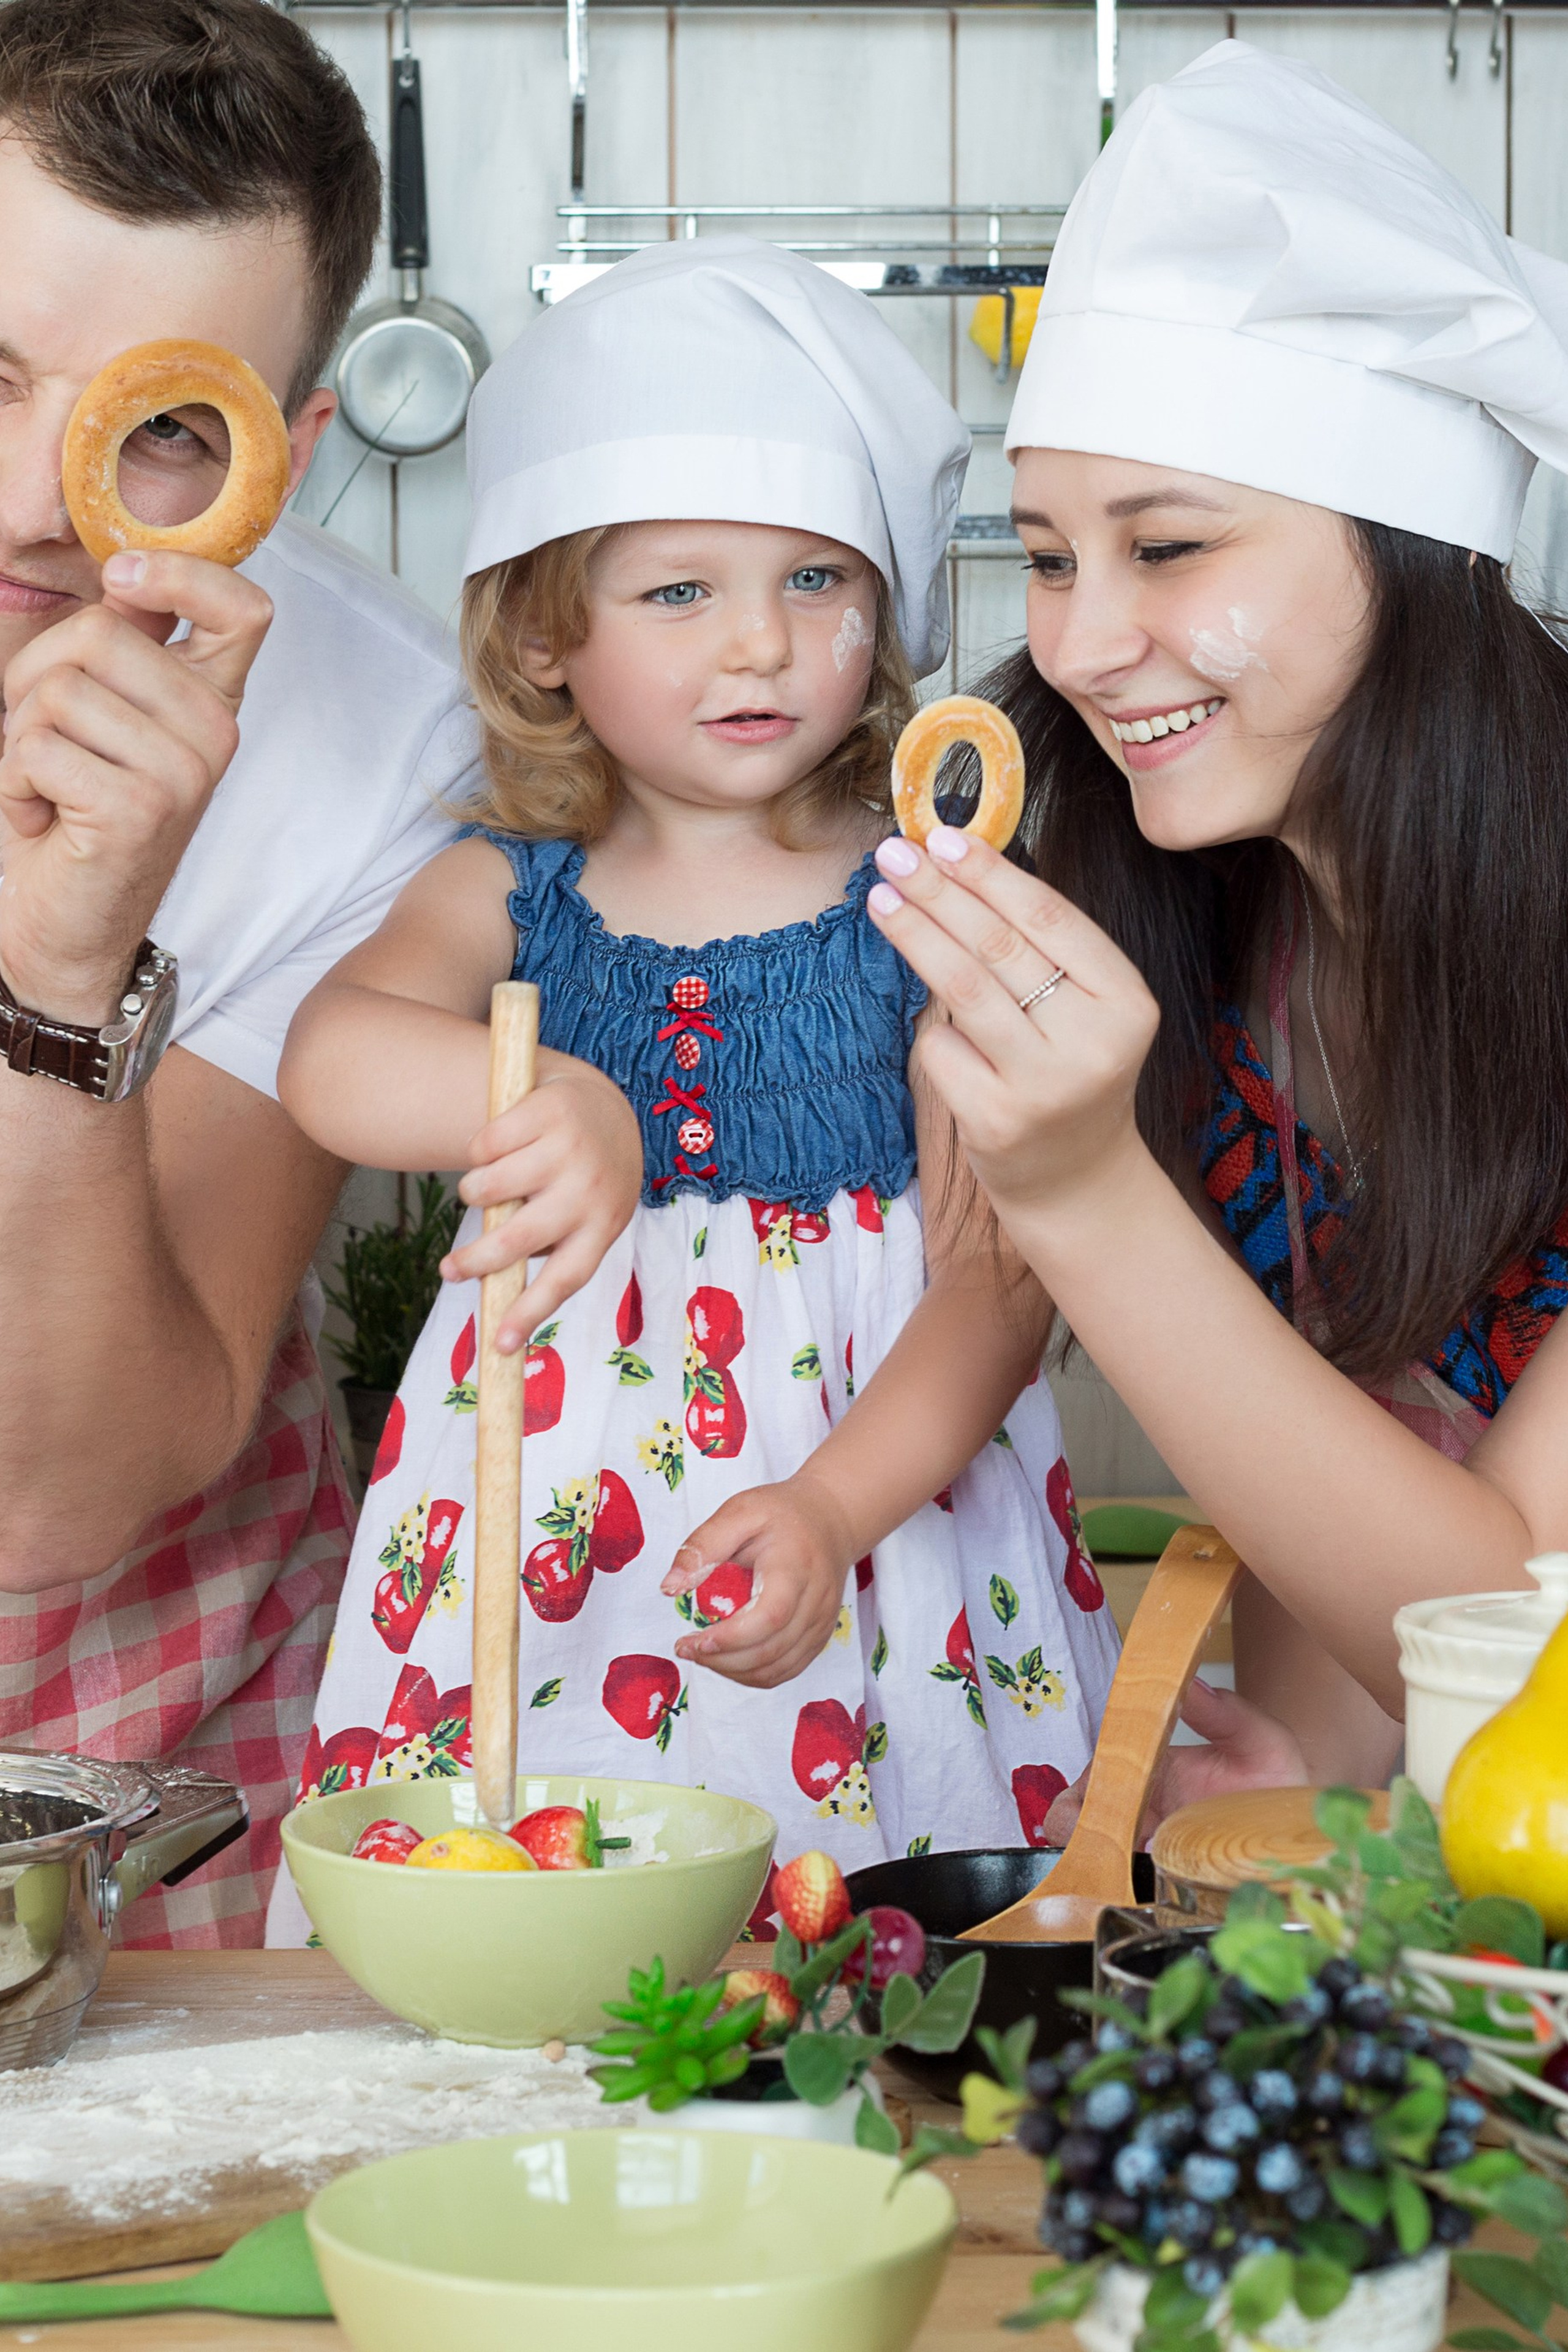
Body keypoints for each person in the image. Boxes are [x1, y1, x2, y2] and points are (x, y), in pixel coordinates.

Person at [266, 239, 1119, 1933]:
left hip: (874, 1538)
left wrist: (831, 1504)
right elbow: (330, 1061)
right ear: (541, 641)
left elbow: (998, 1291)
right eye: (680, 593)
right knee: (531, 1934)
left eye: (818, 582)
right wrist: (537, 1102)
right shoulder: (507, 887)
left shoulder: (931, 899)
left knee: (883, 1956)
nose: (761, 647)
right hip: (546, 1551)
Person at [865, 39, 1568, 1813]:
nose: (1084, 644)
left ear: (1421, 551)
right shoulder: (1215, 930)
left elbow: (1517, 1637)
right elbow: (1348, 1499)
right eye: (1044, 554)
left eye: (1168, 549)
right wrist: (1300, 1789)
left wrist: (1085, 1191)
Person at [0, 0, 639, 1945]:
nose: (37, 498)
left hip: (117, 1752)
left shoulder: (375, 736)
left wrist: (62, 957)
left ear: (290, 453)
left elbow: (62, 1500)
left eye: (156, 433)